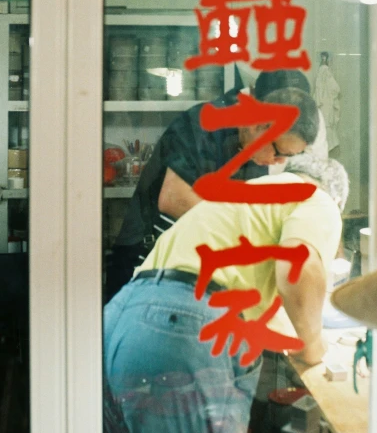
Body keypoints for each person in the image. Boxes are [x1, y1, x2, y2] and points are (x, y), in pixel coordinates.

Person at [103, 161, 342, 433]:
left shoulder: (241, 201)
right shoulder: (316, 198)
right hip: (179, 331)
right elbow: (298, 271)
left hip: (122, 322)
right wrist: (313, 348)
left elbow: (262, 299)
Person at [106, 77, 320, 299]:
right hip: (144, 260)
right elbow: (173, 198)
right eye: (278, 151)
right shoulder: (205, 123)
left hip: (189, 266)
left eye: (288, 157)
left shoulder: (255, 152)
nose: (279, 162)